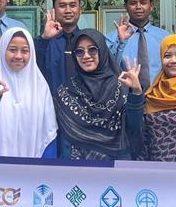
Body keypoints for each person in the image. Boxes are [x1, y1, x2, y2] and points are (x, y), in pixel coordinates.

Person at [53, 29, 145, 161]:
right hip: (77, 170)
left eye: (92, 49)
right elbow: (65, 142)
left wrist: (136, 91)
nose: (86, 56)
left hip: (117, 169)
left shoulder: (121, 85)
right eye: (79, 51)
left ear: (102, 51)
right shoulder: (65, 92)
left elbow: (134, 126)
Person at [0, 27, 59, 159]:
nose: (18, 56)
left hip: (33, 171)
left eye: (25, 51)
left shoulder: (40, 87)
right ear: (2, 50)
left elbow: (48, 134)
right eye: (12, 50)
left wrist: (45, 171)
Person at [107, 0, 171, 87]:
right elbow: (107, 68)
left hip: (159, 98)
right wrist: (120, 42)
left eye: (143, 2)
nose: (138, 7)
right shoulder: (112, 38)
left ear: (151, 6)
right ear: (125, 6)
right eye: (133, 3)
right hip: (126, 98)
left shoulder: (165, 37)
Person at [37, 0, 84, 93]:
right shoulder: (44, 42)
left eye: (72, 5)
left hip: (83, 106)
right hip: (51, 106)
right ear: (54, 10)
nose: (68, 10)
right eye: (62, 5)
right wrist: (44, 39)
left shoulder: (87, 41)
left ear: (80, 10)